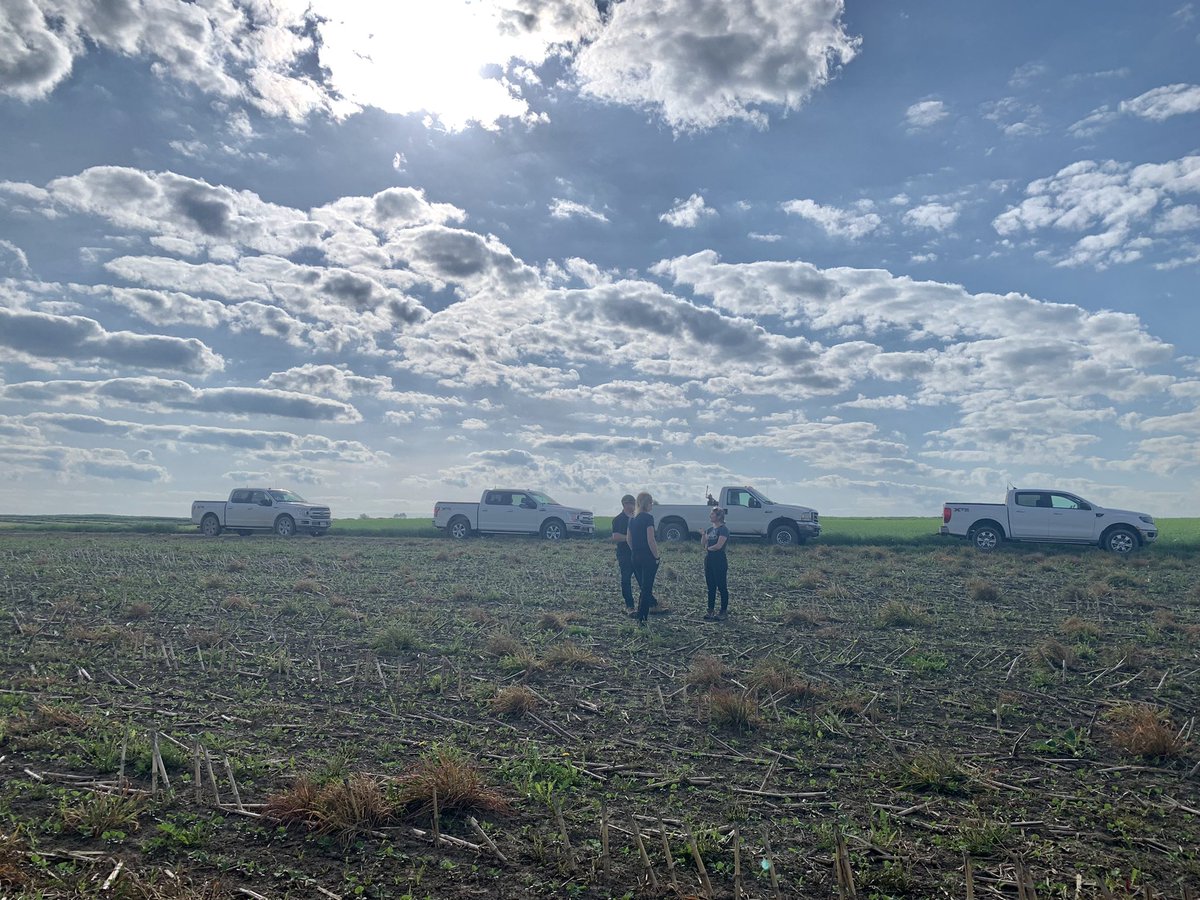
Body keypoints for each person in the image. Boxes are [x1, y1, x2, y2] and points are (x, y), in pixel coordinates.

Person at [626, 491, 660, 625]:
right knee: (647, 588)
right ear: (647, 503)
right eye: (651, 502)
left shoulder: (632, 519)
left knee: (643, 586)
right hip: (647, 557)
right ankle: (642, 618)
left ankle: (641, 616)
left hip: (635, 556)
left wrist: (634, 550)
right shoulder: (648, 518)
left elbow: (628, 539)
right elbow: (651, 540)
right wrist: (656, 556)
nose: (652, 505)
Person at [611, 494, 641, 613]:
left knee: (643, 579)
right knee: (626, 579)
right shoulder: (618, 519)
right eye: (630, 503)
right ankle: (629, 606)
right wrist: (629, 538)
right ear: (624, 504)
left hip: (638, 553)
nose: (632, 506)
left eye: (633, 503)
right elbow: (615, 536)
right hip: (624, 554)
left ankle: (651, 603)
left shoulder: (638, 518)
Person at [702, 506, 730, 621]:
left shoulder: (723, 530)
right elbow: (703, 543)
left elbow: (719, 546)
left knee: (722, 586)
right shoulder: (710, 529)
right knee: (711, 587)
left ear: (719, 516)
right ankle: (710, 610)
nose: (710, 516)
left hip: (719, 560)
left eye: (712, 514)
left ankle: (723, 611)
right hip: (709, 559)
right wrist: (703, 535)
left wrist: (708, 548)